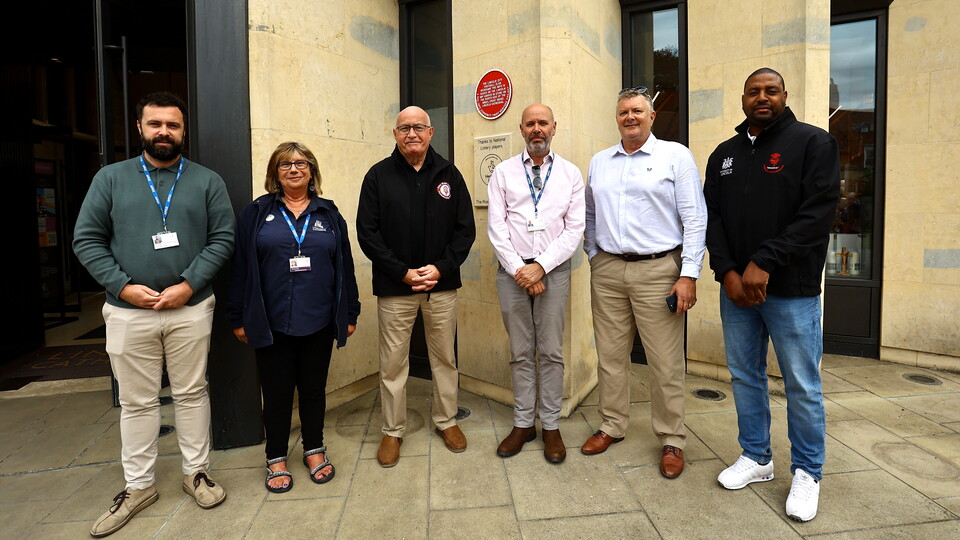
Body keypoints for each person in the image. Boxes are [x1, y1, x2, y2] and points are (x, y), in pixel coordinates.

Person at [73, 92, 234, 537]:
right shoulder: (111, 178)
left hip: (191, 307)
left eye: (173, 125)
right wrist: (122, 285)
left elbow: (222, 238)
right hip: (128, 311)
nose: (164, 131)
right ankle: (139, 486)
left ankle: (196, 473)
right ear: (140, 128)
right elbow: (86, 240)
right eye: (155, 124)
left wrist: (187, 285)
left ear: (184, 131)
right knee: (137, 401)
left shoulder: (206, 181)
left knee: (192, 392)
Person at [705, 68, 840, 522]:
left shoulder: (812, 143)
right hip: (737, 291)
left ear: (785, 95)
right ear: (742, 98)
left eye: (771, 90)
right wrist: (725, 270)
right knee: (745, 376)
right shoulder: (724, 154)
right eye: (754, 91)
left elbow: (817, 215)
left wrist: (765, 260)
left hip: (791, 291)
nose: (762, 97)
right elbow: (713, 218)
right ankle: (757, 457)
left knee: (802, 384)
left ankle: (807, 471)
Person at [581, 87, 707, 479]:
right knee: (610, 356)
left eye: (637, 110)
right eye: (623, 112)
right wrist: (594, 254)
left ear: (652, 116)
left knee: (665, 362)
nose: (630, 117)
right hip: (608, 271)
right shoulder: (600, 161)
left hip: (659, 272)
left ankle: (672, 438)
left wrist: (688, 274)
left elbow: (696, 219)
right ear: (616, 118)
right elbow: (589, 213)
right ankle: (612, 425)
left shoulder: (675, 155)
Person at [227, 142, 360, 493]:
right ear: (275, 172)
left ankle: (314, 450)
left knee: (314, 390)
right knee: (276, 393)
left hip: (318, 320)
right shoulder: (256, 213)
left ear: (312, 171)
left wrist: (349, 311)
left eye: (301, 163)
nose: (294, 169)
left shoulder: (329, 214)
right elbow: (239, 265)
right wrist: (237, 316)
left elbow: (344, 267)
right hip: (271, 322)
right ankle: (276, 458)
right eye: (285, 164)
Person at [357, 106, 476, 468]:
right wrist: (403, 272)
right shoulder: (378, 176)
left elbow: (465, 229)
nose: (412, 133)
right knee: (393, 363)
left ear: (431, 132)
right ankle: (392, 431)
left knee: (444, 358)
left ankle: (447, 420)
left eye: (419, 127)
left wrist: (439, 269)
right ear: (395, 134)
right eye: (404, 128)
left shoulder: (449, 175)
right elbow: (368, 233)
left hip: (440, 286)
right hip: (396, 288)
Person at [487, 104, 584, 464]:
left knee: (552, 351)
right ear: (522, 129)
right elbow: (496, 228)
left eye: (543, 122)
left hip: (553, 271)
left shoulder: (571, 174)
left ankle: (551, 425)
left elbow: (574, 229)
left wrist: (540, 266)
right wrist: (520, 270)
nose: (537, 129)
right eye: (531, 123)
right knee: (520, 351)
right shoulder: (503, 173)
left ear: (554, 128)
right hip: (511, 273)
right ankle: (523, 422)